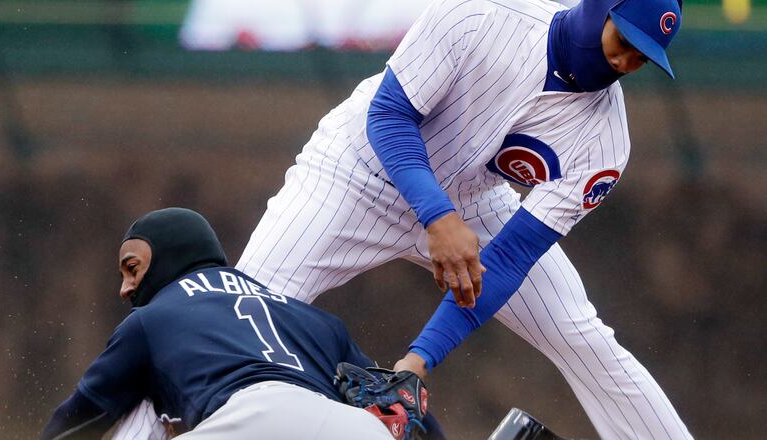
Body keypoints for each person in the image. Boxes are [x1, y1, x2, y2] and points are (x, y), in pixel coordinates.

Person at [235, 0, 693, 438]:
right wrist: (438, 217)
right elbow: (390, 115)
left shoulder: (606, 142)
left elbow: (511, 257)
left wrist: (419, 360)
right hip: (357, 174)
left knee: (584, 339)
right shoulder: (481, 13)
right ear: (599, 10)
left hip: (475, 204)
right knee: (239, 317)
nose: (624, 62)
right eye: (624, 40)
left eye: (642, 58)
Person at [41, 208, 441, 439]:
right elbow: (399, 402)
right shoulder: (314, 319)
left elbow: (79, 419)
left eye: (133, 268)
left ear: (171, 254)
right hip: (350, 430)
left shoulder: (152, 319)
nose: (126, 288)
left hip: (244, 423)